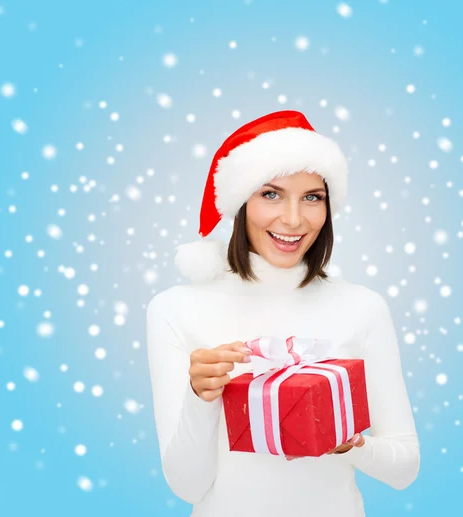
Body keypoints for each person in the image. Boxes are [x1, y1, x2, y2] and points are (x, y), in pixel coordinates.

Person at [146, 110, 420, 517]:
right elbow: (187, 486)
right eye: (271, 194)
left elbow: (405, 467)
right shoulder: (176, 309)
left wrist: (343, 440)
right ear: (241, 202)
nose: (293, 219)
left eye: (312, 197)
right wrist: (200, 397)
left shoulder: (362, 308)